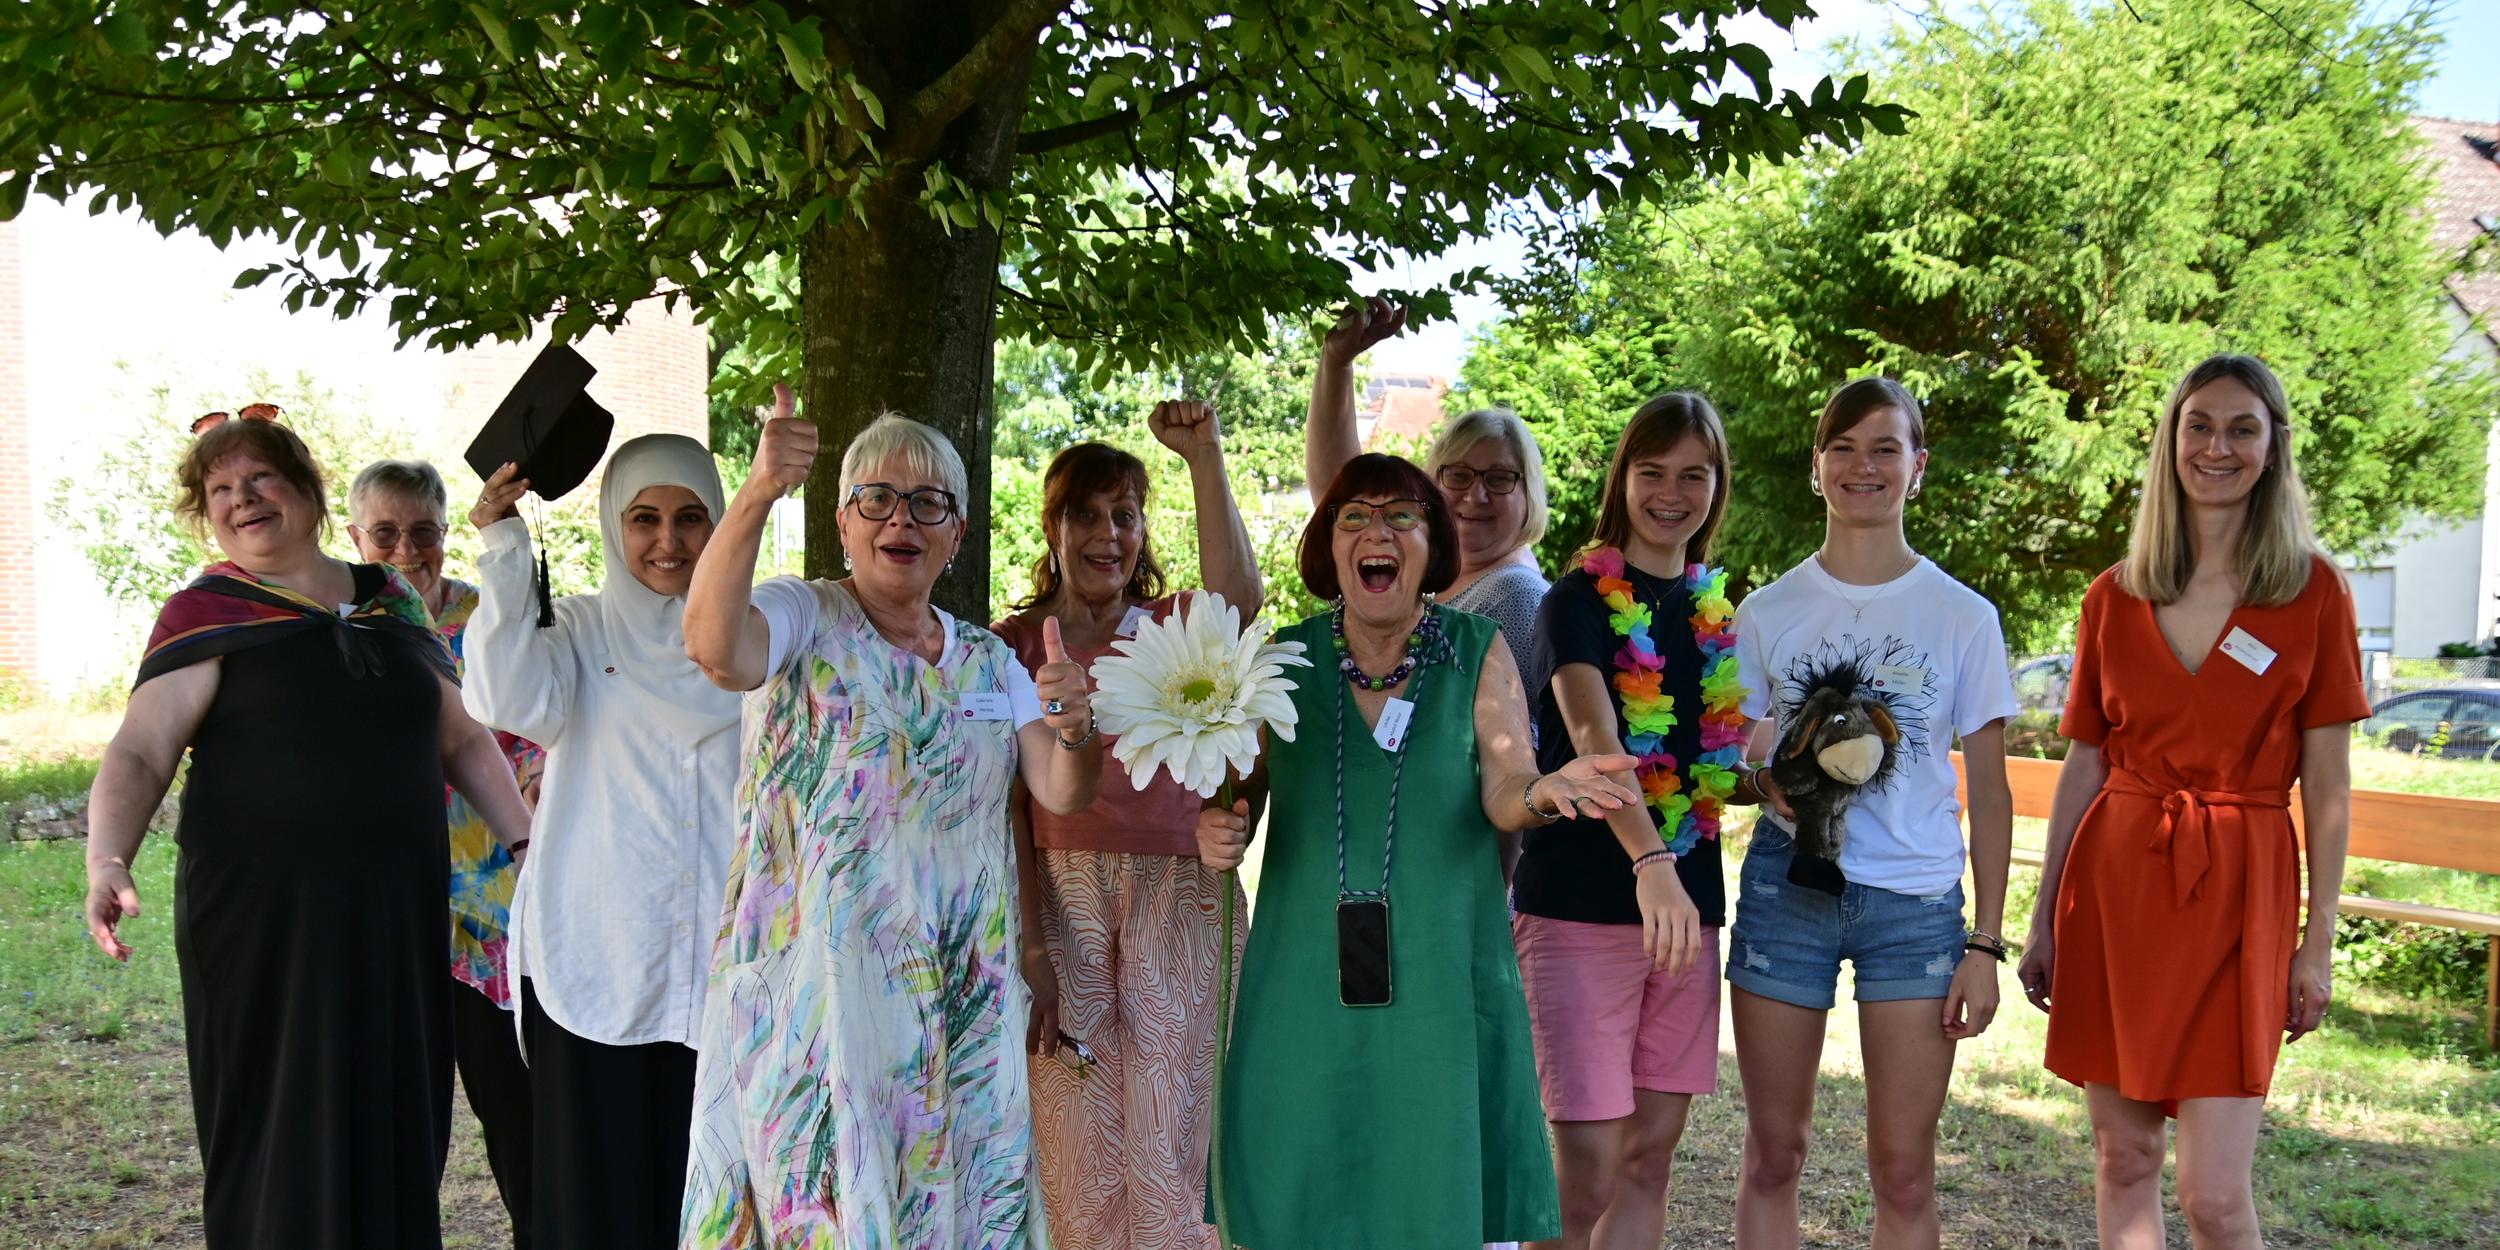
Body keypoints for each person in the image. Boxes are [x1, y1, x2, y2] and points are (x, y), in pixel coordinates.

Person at [82, 413, 530, 1249]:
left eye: (260, 481)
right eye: (220, 490)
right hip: (264, 925)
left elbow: (463, 738)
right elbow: (142, 750)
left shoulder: (391, 601)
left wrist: (526, 847)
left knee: (394, 1108)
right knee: (280, 1119)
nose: (241, 501)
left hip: (392, 917)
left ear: (310, 492)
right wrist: (108, 855)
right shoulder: (206, 612)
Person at [679, 392, 1103, 1248]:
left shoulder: (989, 659)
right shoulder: (806, 617)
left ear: (956, 530)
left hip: (959, 999)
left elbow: (1064, 790)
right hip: (822, 1006)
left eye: (927, 502)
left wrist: (1077, 725)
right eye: (876, 497)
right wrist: (759, 489)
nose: (898, 519)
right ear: (842, 520)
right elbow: (716, 647)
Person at [1195, 452, 1641, 1250]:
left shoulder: (1477, 648)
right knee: (1303, 1194)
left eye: (1403, 516)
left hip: (1440, 974)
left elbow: (1507, 783)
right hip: (1304, 980)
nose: (1379, 533)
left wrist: (1543, 793)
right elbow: (1239, 789)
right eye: (1355, 516)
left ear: (1432, 545)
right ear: (1329, 547)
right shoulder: (1280, 663)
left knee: (1428, 1196)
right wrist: (1219, 826)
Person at [2016, 355, 2366, 1249]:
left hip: (2242, 897)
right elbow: (2084, 767)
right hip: (2117, 891)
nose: (2218, 446)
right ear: (2171, 442)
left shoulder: (2315, 593)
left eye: (2242, 427)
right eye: (2199, 425)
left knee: (2214, 1196)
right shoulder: (2114, 596)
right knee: (2122, 1162)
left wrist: (2316, 939)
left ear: (2273, 446)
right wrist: (2045, 918)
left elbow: (2326, 785)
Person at [1730, 377, 2016, 1250]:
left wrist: (1986, 944)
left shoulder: (1964, 616)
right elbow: (1737, 763)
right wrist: (1760, 778)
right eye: (1844, 448)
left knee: (1902, 1167)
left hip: (1917, 907)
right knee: (1775, 1154)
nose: (1865, 466)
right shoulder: (1766, 611)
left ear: (1917, 467)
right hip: (1790, 889)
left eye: (1885, 448)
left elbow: (1993, 791)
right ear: (1818, 469)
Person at [991, 401, 1263, 1250]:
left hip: (1177, 897)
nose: (1107, 534)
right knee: (1077, 1149)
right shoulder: (1011, 646)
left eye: (1125, 515)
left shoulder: (1177, 625)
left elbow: (1242, 605)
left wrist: (1204, 457)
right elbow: (1006, 811)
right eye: (1085, 514)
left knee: (1173, 1143)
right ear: (1053, 525)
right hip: (1061, 902)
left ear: (1144, 529)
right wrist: (1031, 946)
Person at [462, 434, 740, 1250]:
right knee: (601, 1201)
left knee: (715, 1198)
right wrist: (505, 547)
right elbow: (502, 696)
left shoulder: (758, 638)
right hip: (601, 962)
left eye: (692, 518)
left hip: (726, 966)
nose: (668, 541)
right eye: (644, 518)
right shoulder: (579, 632)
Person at [1514, 393, 1765, 1250]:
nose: (1671, 492)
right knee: (1585, 1173)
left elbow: (1712, 765)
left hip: (1687, 909)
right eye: (1652, 471)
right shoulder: (1575, 601)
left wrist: (1778, 778)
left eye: (1693, 473)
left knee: (1650, 1157)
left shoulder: (1713, 614)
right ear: (1622, 478)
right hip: (1582, 906)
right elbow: (1596, 738)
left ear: (1716, 486)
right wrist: (1648, 863)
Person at [348, 458, 541, 1248]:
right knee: (396, 1132)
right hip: (387, 915)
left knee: (522, 1123)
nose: (405, 551)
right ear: (354, 536)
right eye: (384, 533)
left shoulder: (488, 617)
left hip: (492, 917)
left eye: (422, 532)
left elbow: (534, 740)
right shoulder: (335, 625)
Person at [1307, 296, 1556, 882]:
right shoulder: (1424, 587)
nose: (1476, 497)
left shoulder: (1514, 600)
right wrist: (1337, 365)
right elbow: (1335, 491)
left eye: (1500, 479)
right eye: (1458, 476)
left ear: (1529, 495)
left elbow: (1502, 770)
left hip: (1468, 880)